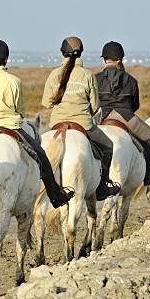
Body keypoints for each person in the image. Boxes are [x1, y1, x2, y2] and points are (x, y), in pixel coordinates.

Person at [0, 39, 74, 208]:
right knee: (41, 155)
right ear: (6, 58)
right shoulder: (14, 81)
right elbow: (20, 111)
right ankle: (55, 195)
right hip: (11, 128)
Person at [42, 36, 121, 201]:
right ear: (81, 53)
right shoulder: (87, 75)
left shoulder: (54, 74)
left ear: (62, 53)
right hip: (83, 125)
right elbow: (95, 106)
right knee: (108, 146)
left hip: (57, 124)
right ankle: (102, 186)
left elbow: (46, 103)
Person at [95, 41, 150, 185]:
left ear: (104, 59)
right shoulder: (131, 80)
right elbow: (135, 105)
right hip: (125, 116)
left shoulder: (95, 78)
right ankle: (149, 175)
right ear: (120, 59)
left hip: (101, 115)